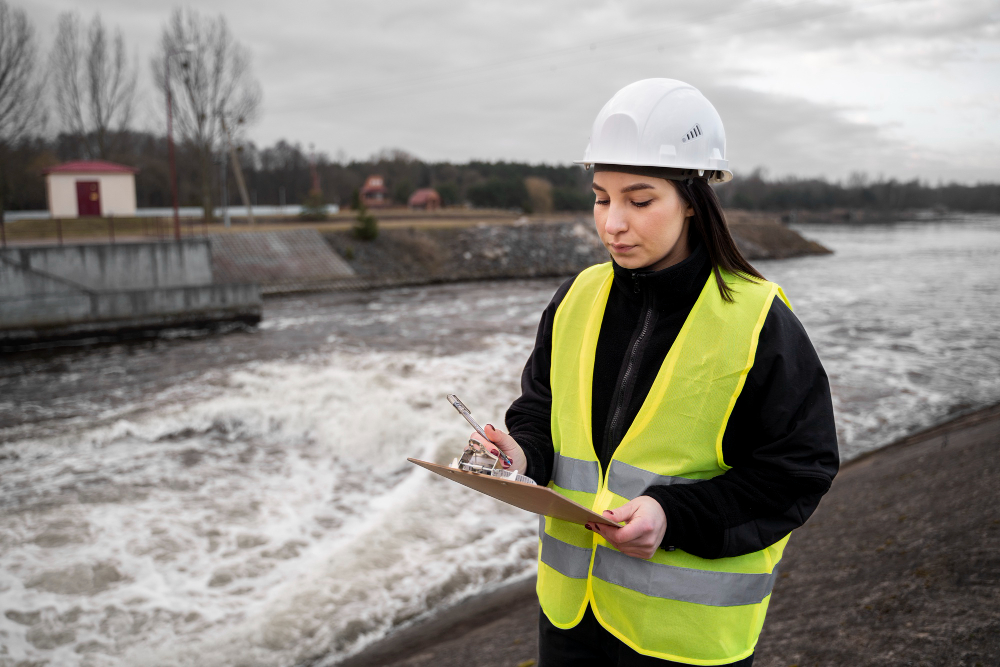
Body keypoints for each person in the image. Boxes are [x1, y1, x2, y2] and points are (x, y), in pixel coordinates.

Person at [471, 79, 839, 666]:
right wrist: (521, 455)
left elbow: (797, 471)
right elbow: (541, 410)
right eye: (601, 197)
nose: (613, 223)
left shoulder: (756, 320)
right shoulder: (576, 299)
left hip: (684, 642)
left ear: (692, 199)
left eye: (639, 201)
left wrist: (672, 517)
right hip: (570, 621)